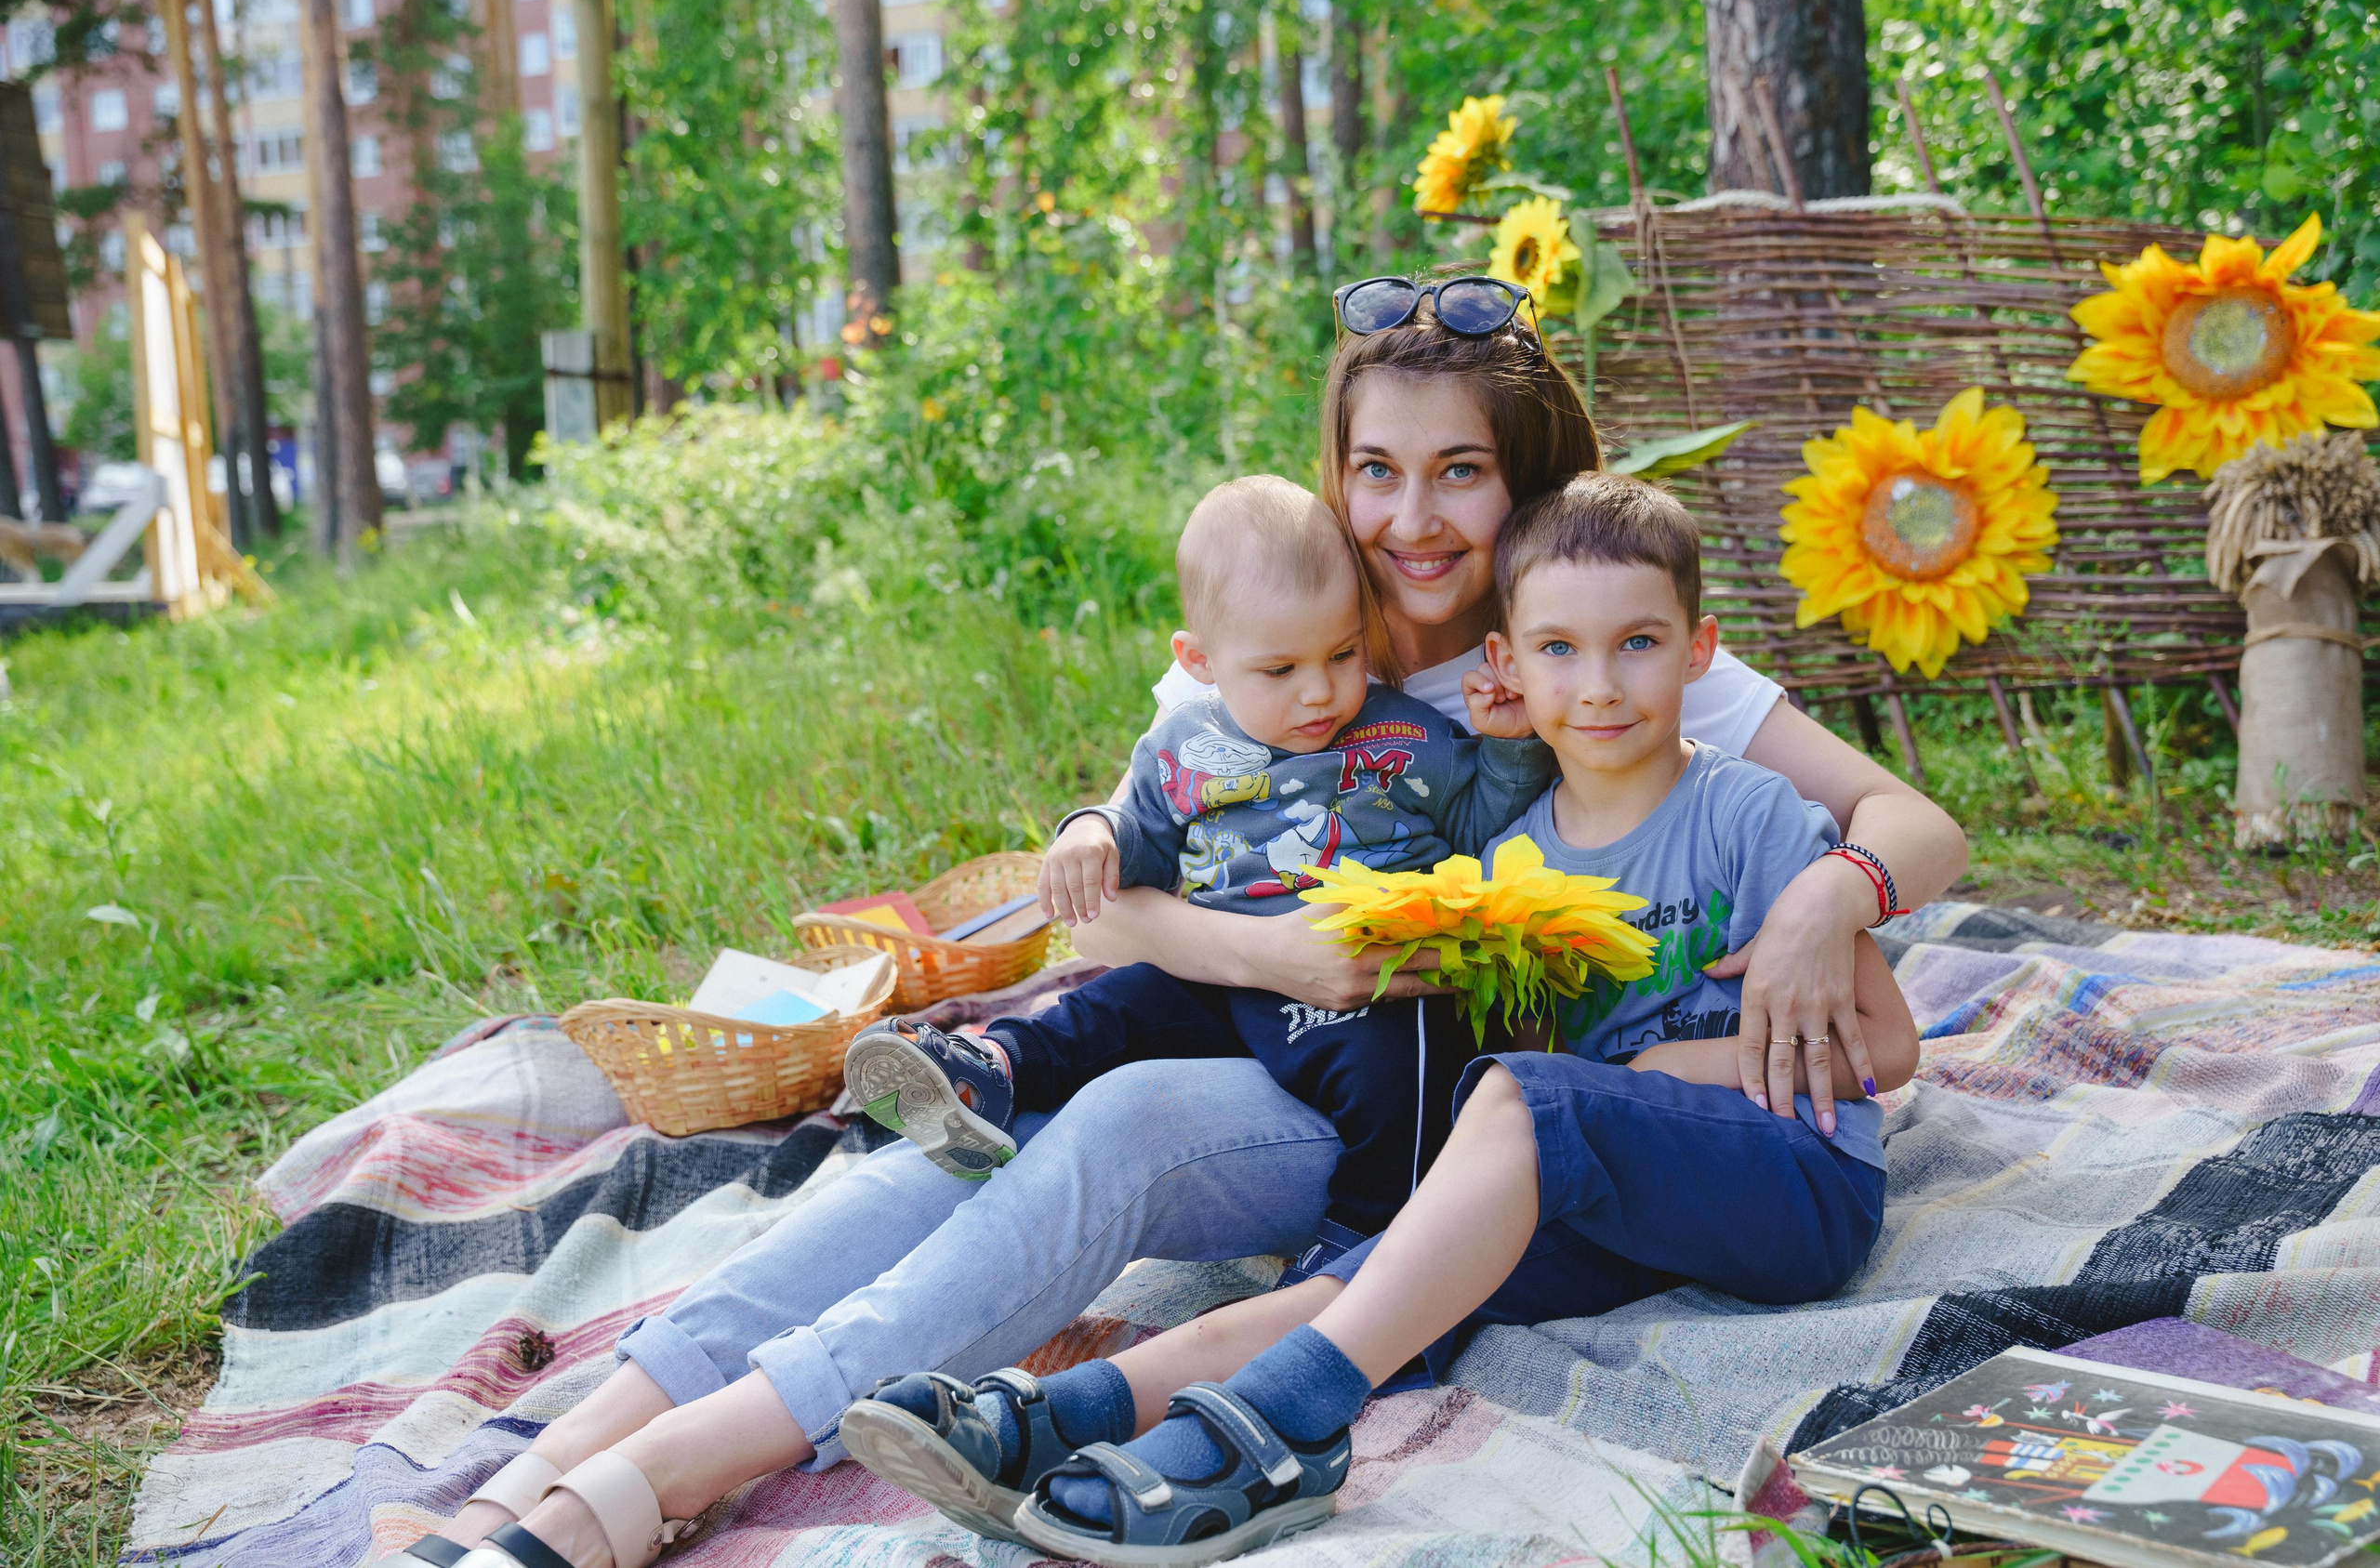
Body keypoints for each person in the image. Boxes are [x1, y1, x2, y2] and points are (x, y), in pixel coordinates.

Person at [406, 277, 1964, 1568]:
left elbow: (1902, 821)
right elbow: (1109, 915)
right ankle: (578, 1437)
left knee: (1125, 1119)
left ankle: (688, 1459)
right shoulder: (1281, 610)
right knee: (968, 1134)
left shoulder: (1587, 632)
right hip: (1274, 1008)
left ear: (1529, 486)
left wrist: (1841, 886)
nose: (1410, 518)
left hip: (1414, 1105)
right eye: (1377, 468)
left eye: (1460, 472)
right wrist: (1281, 954)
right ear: (1335, 471)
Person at [844, 470, 1923, 1565]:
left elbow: (1887, 1047)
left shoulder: (1747, 812)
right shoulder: (1508, 854)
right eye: (1556, 649)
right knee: (1383, 1278)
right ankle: (1066, 1411)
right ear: (1503, 665)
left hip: (1796, 1181)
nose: (1597, 686)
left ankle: (1283, 1428)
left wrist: (1666, 1068)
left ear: (1698, 650)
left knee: (1514, 1103)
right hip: (1619, 1193)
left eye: (1636, 643)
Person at [844, 472, 1550, 1235]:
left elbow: (1486, 828)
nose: (1320, 692)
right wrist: (1091, 830)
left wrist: (1510, 747)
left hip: (1363, 982)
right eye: (1280, 670)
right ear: (1200, 658)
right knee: (1111, 1007)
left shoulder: (1407, 736)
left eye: (1344, 654)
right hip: (1224, 976)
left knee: (1402, 1077)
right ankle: (995, 1070)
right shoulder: (1185, 747)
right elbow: (1138, 842)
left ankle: (1362, 1241)